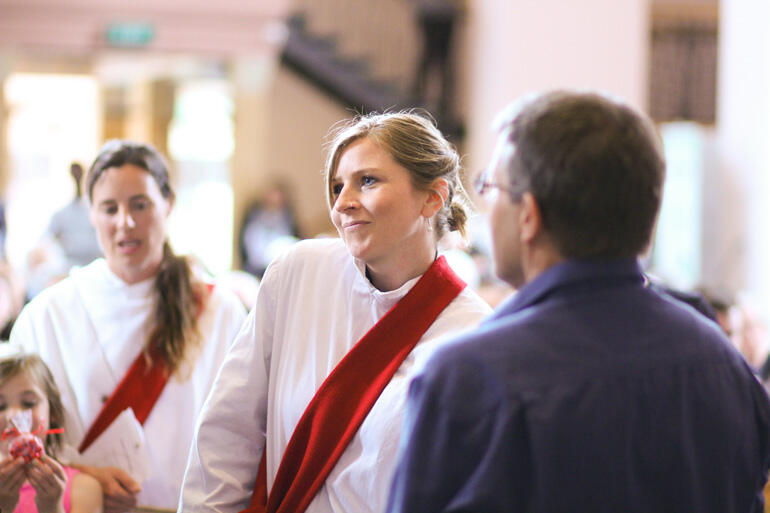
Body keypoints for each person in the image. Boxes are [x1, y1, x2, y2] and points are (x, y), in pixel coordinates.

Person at [386, 91, 770, 512]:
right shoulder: (723, 364)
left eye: (488, 187)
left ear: (529, 215)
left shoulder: (467, 379)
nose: (484, 204)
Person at [178, 111, 492, 513]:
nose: (343, 203)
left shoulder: (473, 334)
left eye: (368, 181)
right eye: (337, 186)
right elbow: (227, 432)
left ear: (433, 196)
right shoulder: (300, 273)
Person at [10, 141, 247, 512]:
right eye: (109, 208)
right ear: (91, 213)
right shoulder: (47, 315)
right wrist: (81, 474)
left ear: (168, 204)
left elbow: (242, 432)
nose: (125, 222)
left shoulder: (219, 312)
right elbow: (16, 430)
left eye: (140, 204)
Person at [0, 346, 103, 513]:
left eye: (29, 403)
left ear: (53, 411)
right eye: (0, 406)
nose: (14, 415)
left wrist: (52, 506)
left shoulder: (82, 487)